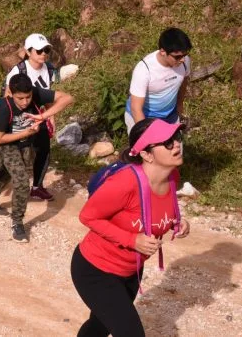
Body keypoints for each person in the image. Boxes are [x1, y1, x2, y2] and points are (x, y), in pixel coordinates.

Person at [72, 118, 191, 336]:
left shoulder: (172, 176)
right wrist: (132, 240)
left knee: (100, 326)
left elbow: (155, 208)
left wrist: (177, 222)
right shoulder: (125, 183)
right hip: (95, 270)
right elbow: (88, 216)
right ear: (146, 154)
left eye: (177, 138)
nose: (176, 144)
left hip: (130, 271)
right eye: (167, 142)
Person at [0, 74, 73, 243]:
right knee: (22, 182)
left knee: (7, 174)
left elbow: (67, 98)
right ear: (11, 94)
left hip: (25, 145)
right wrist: (25, 133)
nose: (25, 102)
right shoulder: (4, 108)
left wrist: (44, 116)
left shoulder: (36, 93)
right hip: (8, 145)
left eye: (28, 97)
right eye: (20, 98)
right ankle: (17, 223)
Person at [3, 33, 59, 201]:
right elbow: (7, 97)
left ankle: (37, 186)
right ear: (28, 52)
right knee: (16, 152)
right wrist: (14, 120)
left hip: (39, 115)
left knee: (44, 150)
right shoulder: (18, 71)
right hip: (20, 116)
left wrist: (50, 116)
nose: (44, 53)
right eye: (39, 50)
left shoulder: (48, 69)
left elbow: (48, 95)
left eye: (46, 50)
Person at [125, 28, 192, 134]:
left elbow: (184, 82)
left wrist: (180, 105)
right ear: (163, 52)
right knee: (145, 150)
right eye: (177, 57)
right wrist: (147, 135)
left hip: (170, 116)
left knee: (174, 149)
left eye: (184, 55)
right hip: (143, 118)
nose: (182, 59)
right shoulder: (144, 69)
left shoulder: (184, 61)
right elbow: (136, 108)